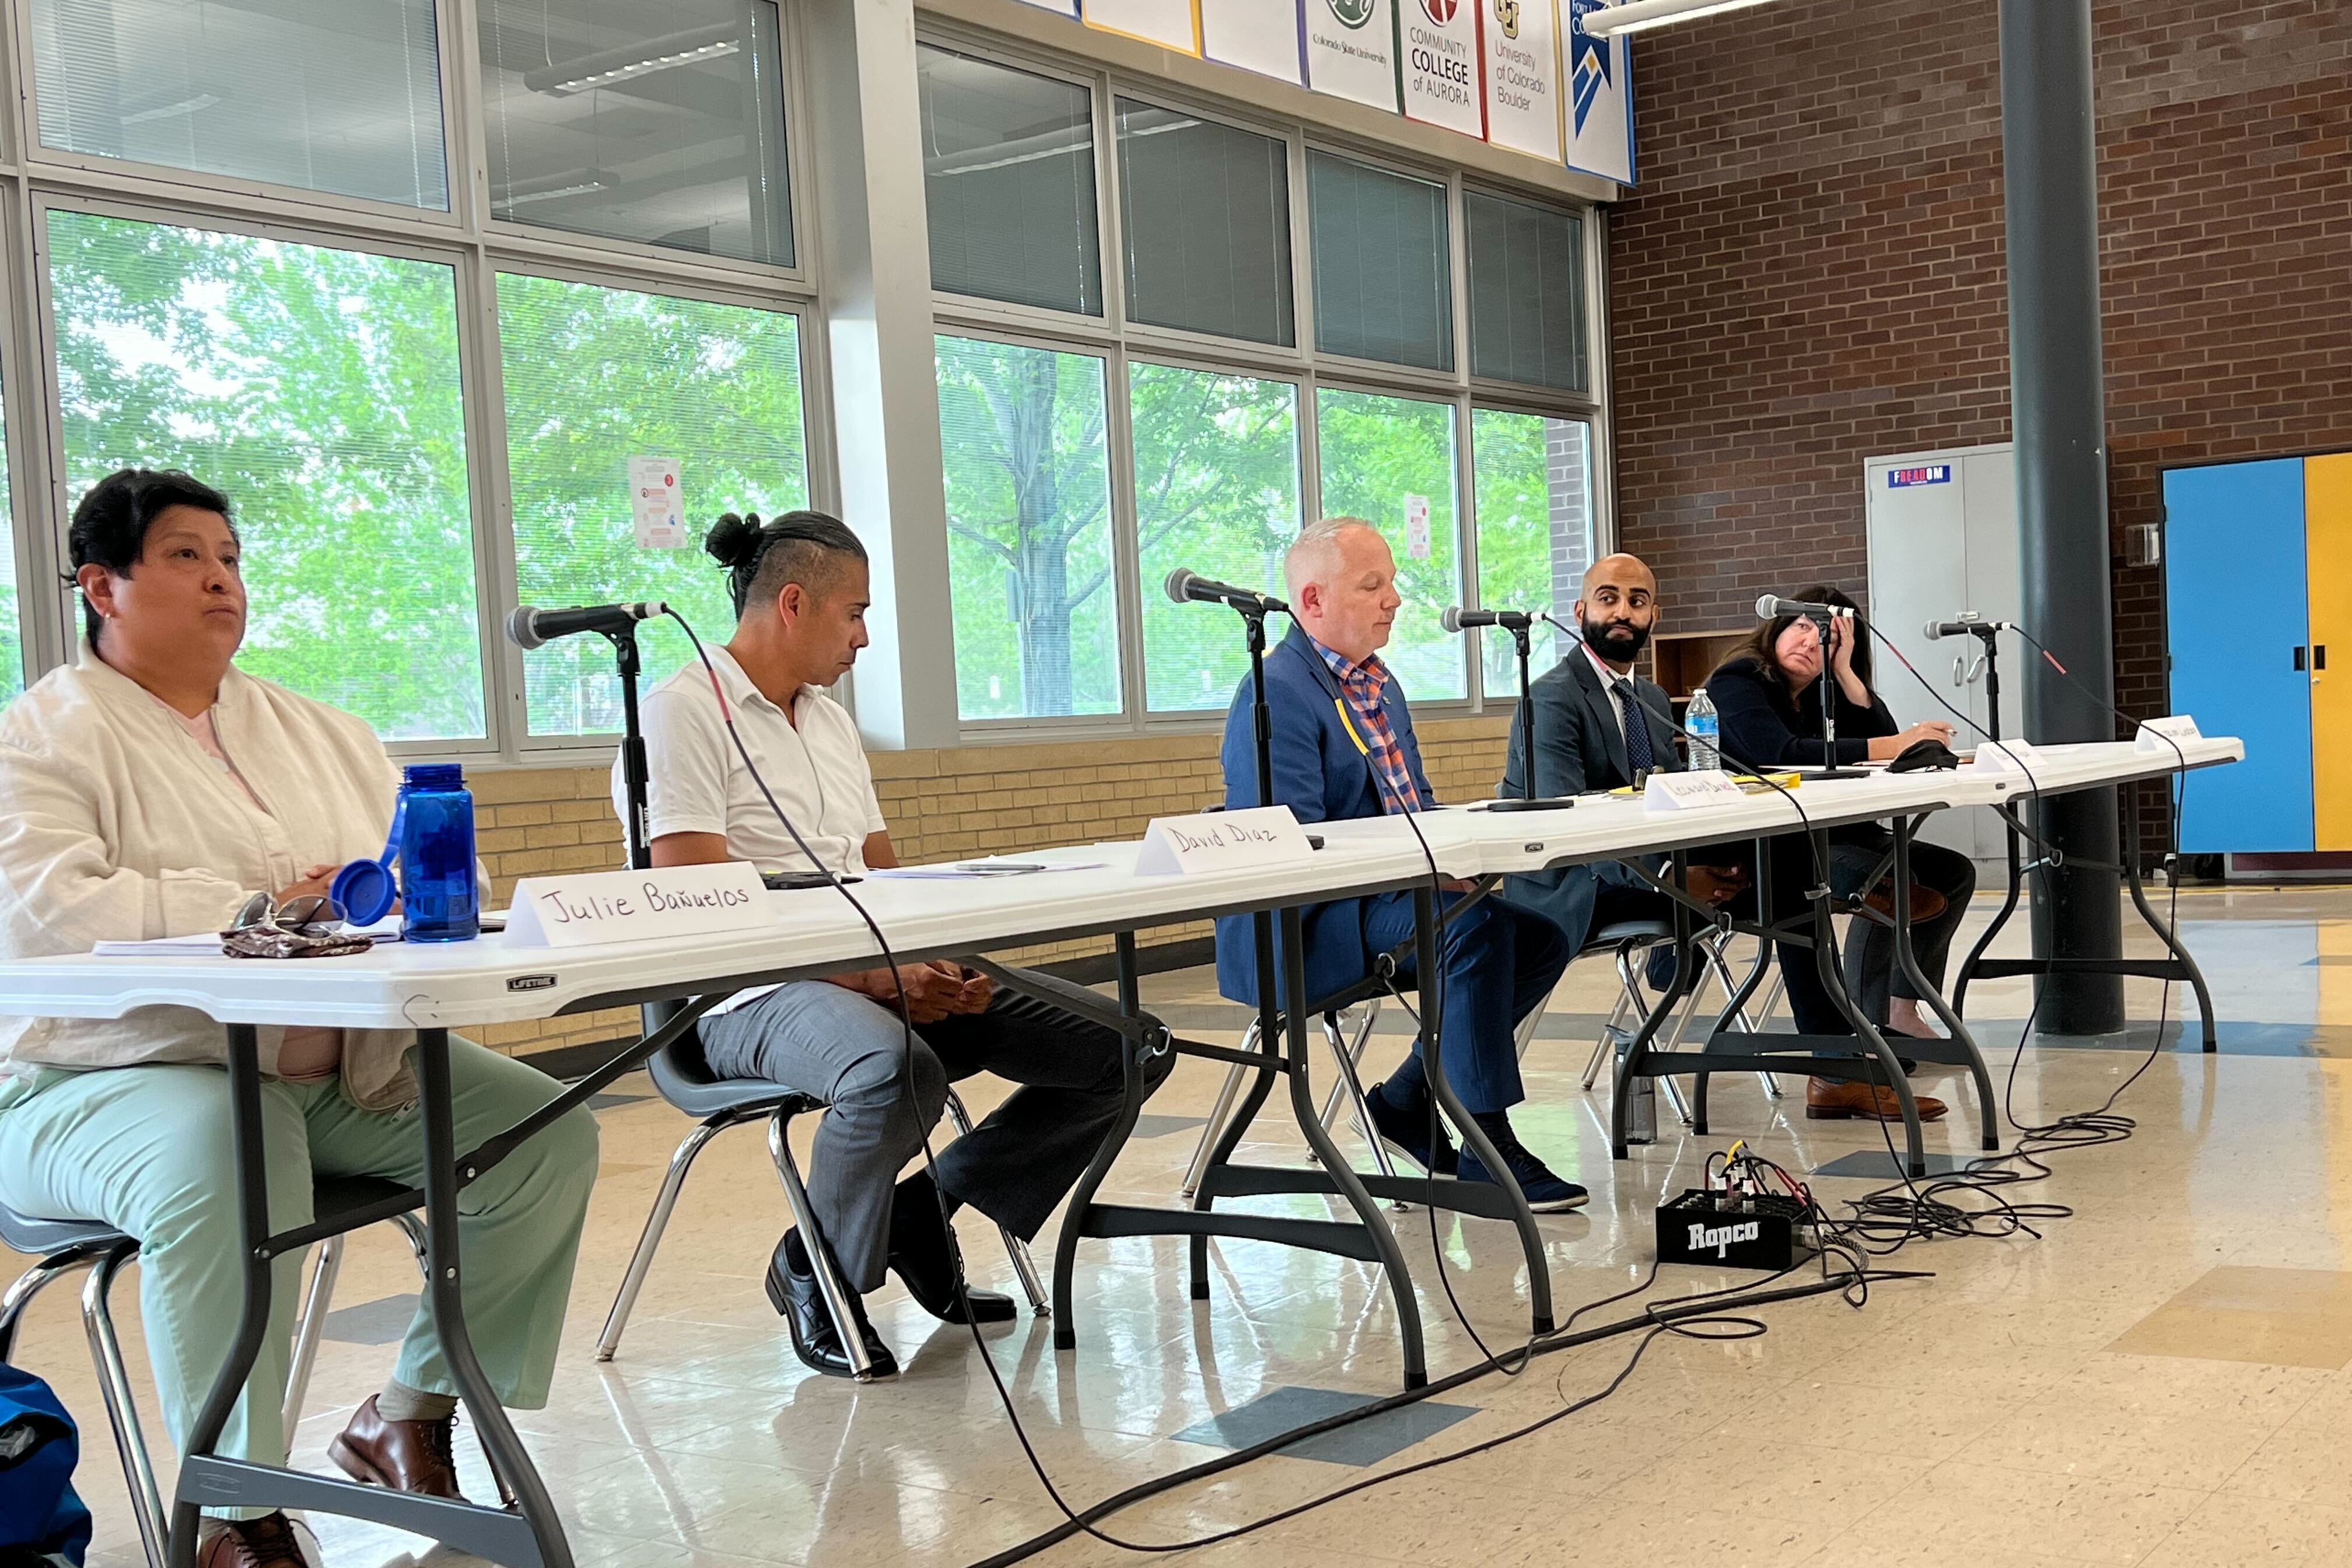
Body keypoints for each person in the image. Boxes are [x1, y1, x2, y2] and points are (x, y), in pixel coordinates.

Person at [0, 469, 599, 1568]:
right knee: (238, 1143)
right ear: (102, 585)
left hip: (326, 1067)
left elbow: (410, 876)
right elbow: (53, 918)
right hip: (85, 1080)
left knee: (545, 1130)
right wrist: (269, 907)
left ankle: (406, 1409)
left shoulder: (318, 728)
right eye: (186, 556)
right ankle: (235, 1507)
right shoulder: (37, 737)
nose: (222, 579)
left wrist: (405, 893)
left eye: (229, 556)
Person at [630, 510, 1171, 1381]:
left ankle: (925, 1209)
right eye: (855, 614)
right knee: (897, 1070)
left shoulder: (832, 725)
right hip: (744, 993)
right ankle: (822, 1270)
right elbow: (703, 911)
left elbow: (882, 874)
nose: (865, 638)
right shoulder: (682, 713)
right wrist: (876, 979)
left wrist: (936, 960)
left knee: (1127, 1048)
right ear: (795, 603)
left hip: (871, 972)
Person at [1213, 517, 1580, 1210]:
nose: (1395, 600)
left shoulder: (1381, 685)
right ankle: (1486, 1140)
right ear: (1313, 602)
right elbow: (1297, 843)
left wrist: (1464, 852)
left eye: (1392, 583)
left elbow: (1415, 804)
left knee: (1537, 937)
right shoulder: (1275, 693)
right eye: (1373, 585)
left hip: (1391, 897)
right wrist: (1420, 868)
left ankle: (1408, 1095)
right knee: (1468, 934)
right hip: (1316, 919)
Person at [1705, 583, 1976, 1121]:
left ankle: (1895, 1013)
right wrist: (1891, 745)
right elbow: (1778, 756)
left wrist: (1849, 676)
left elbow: (1881, 747)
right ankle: (1846, 1062)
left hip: (1826, 835)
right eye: (1801, 626)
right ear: (1776, 629)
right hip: (1762, 850)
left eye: (1828, 637)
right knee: (1866, 877)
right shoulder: (1740, 680)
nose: (1811, 641)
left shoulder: (1824, 693)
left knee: (1951, 872)